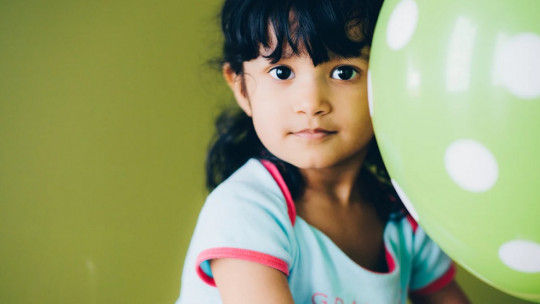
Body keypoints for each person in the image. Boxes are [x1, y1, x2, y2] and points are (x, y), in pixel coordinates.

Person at [177, 0, 470, 303]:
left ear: (387, 82)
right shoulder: (246, 210)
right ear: (241, 88)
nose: (312, 102)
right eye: (281, 72)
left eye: (344, 72)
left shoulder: (401, 214)